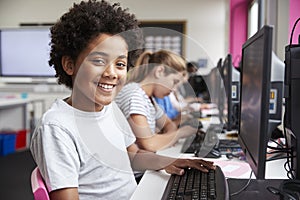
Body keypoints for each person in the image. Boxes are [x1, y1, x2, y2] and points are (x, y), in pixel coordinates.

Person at [29, 1, 215, 199]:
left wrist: (167, 162)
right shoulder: (56, 128)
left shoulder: (109, 108)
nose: (111, 73)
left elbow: (132, 156)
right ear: (69, 65)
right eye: (98, 61)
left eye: (120, 64)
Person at [115, 50, 202, 152]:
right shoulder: (134, 95)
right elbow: (148, 144)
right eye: (174, 82)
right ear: (159, 71)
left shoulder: (148, 98)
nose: (174, 89)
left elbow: (170, 125)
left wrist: (164, 139)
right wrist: (180, 133)